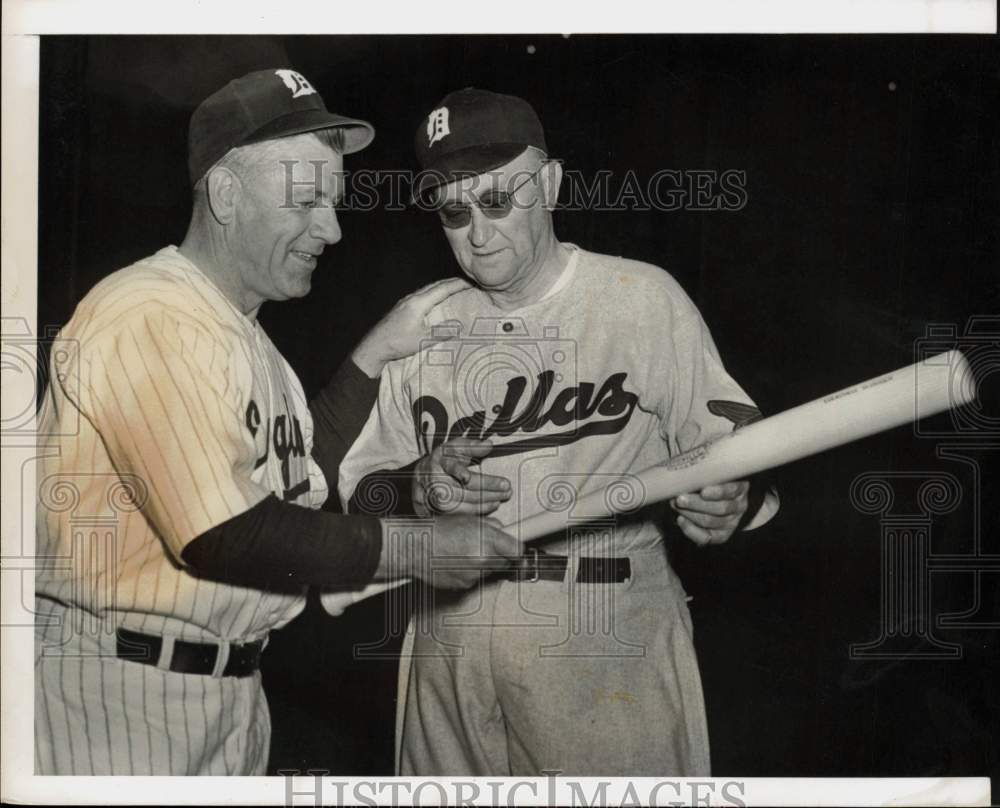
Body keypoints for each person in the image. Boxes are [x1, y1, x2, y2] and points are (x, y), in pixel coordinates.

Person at [33, 70, 520, 776]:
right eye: (307, 199)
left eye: (334, 201)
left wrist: (375, 356)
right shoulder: (150, 312)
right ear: (226, 194)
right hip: (112, 691)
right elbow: (226, 533)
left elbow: (298, 481)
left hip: (225, 698)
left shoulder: (253, 344)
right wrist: (418, 548)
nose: (331, 227)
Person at [339, 88, 780, 776]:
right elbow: (356, 492)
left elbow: (737, 446)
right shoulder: (417, 324)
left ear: (549, 182)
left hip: (603, 619)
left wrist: (737, 496)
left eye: (497, 201)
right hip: (447, 630)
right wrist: (413, 487)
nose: (479, 233)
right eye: (455, 211)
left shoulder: (639, 298)